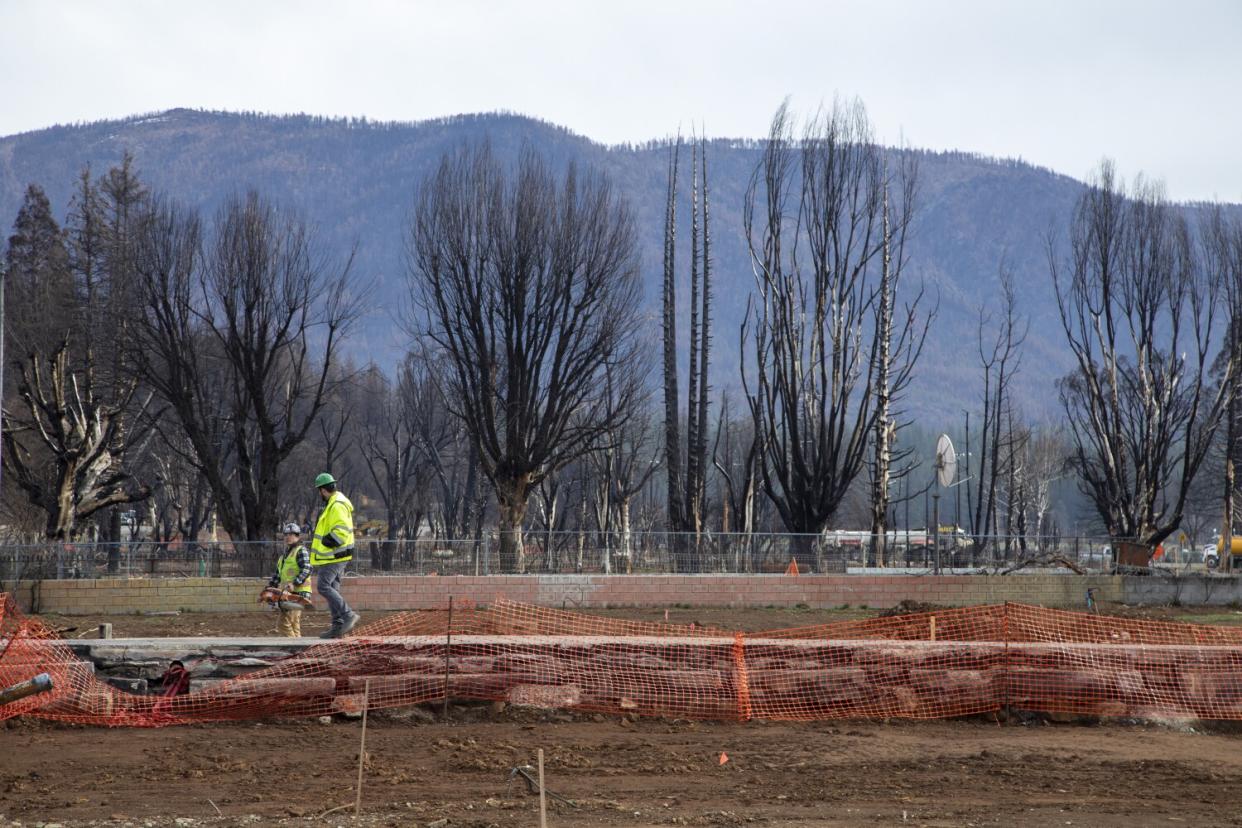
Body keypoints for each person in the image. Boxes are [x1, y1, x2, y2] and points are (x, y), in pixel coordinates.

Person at [310, 472, 360, 638]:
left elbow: (341, 530)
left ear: (323, 490)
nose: (320, 494)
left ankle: (348, 615)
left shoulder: (336, 504)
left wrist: (328, 540)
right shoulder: (335, 502)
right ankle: (337, 626)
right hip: (337, 555)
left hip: (333, 556)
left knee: (323, 586)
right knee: (332, 587)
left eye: (319, 490)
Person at [268, 522, 312, 637]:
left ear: (298, 536)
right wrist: (269, 589)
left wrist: (294, 583)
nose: (288, 537)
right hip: (289, 594)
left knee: (283, 624)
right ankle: (299, 649)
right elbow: (277, 575)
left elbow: (307, 568)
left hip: (299, 594)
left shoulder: (301, 551)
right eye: (286, 534)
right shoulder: (284, 556)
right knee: (293, 623)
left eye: (291, 534)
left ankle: (293, 646)